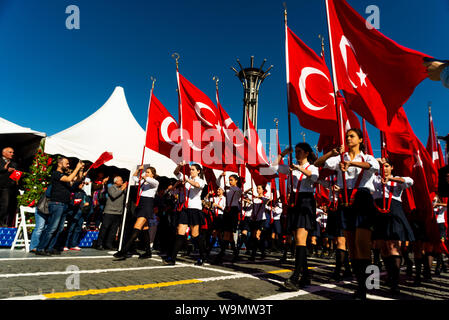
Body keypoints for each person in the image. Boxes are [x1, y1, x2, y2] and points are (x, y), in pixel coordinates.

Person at [315, 128, 380, 299]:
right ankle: (360, 285)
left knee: (362, 243)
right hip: (345, 200)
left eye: (352, 136)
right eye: (347, 136)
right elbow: (318, 164)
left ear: (360, 140)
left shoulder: (367, 157)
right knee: (351, 247)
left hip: (362, 198)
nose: (348, 139)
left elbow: (373, 166)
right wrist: (332, 152)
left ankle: (368, 285)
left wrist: (352, 164)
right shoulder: (339, 158)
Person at [273, 143, 319, 291]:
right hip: (294, 202)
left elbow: (314, 178)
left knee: (300, 239)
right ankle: (306, 275)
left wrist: (299, 168)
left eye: (300, 152)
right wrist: (284, 153)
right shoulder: (291, 168)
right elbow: (272, 166)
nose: (297, 154)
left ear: (306, 153)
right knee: (298, 239)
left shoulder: (312, 167)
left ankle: (295, 276)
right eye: (296, 152)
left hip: (306, 201)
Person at [372, 158, 415, 295]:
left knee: (393, 247)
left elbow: (410, 181)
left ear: (391, 167)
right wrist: (375, 162)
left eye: (386, 166)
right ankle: (390, 275)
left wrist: (391, 179)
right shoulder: (374, 179)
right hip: (378, 213)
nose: (384, 169)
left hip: (393, 211)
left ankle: (395, 282)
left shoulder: (397, 180)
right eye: (381, 166)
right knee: (383, 248)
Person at [35, 157, 84, 255]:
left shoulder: (65, 175)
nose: (68, 165)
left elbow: (77, 180)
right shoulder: (56, 174)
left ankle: (50, 248)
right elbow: (70, 178)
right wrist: (77, 168)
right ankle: (40, 248)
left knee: (59, 229)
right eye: (66, 163)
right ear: (59, 164)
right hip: (57, 204)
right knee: (52, 227)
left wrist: (81, 170)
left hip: (64, 204)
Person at [164, 162, 206, 266]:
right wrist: (180, 165)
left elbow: (196, 185)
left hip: (195, 209)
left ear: (198, 171)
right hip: (185, 209)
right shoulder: (186, 178)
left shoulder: (201, 180)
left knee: (195, 234)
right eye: (190, 169)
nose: (191, 171)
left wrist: (186, 179)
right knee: (180, 232)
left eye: (193, 169)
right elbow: (176, 172)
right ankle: (172, 258)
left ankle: (202, 255)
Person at [114, 166, 158, 260]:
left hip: (147, 205)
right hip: (141, 205)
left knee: (136, 228)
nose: (146, 173)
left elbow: (149, 180)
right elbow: (133, 178)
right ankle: (148, 252)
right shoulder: (143, 182)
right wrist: (138, 170)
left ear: (153, 175)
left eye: (148, 172)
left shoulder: (155, 182)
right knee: (145, 229)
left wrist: (144, 176)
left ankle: (124, 251)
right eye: (146, 172)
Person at [215, 173, 242, 264]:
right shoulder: (228, 189)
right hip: (227, 211)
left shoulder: (237, 189)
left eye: (232, 180)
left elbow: (236, 189)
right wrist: (221, 176)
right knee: (229, 235)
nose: (230, 181)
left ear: (236, 181)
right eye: (229, 180)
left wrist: (226, 185)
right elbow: (218, 183)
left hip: (233, 211)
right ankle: (235, 254)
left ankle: (221, 255)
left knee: (228, 233)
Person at [96, 176, 128, 250]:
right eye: (120, 180)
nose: (122, 181)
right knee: (105, 228)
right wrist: (122, 189)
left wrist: (124, 189)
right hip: (109, 212)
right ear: (116, 181)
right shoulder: (111, 187)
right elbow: (114, 195)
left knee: (113, 230)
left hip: (118, 212)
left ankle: (109, 244)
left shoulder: (123, 189)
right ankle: (99, 244)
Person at [64, 181, 91, 251]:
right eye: (81, 183)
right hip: (74, 213)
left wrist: (86, 204)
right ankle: (65, 244)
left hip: (81, 213)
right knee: (70, 229)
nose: (82, 184)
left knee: (78, 229)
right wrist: (78, 203)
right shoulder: (73, 192)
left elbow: (86, 200)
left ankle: (74, 244)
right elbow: (70, 202)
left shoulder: (83, 192)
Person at [248, 184, 270, 261]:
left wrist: (258, 197)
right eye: (257, 188)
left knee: (257, 236)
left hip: (261, 219)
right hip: (254, 219)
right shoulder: (254, 199)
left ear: (263, 190)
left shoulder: (264, 198)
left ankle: (253, 255)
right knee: (254, 237)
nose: (258, 190)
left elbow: (267, 200)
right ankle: (263, 252)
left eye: (259, 188)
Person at [0, 147, 18, 227]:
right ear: (4, 153)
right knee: (4, 206)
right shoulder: (0, 161)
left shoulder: (14, 163)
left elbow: (16, 175)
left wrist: (17, 178)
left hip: (10, 188)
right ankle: (1, 223)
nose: (12, 154)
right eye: (10, 152)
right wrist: (5, 169)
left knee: (8, 206)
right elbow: (2, 170)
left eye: (13, 152)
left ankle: (6, 223)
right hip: (2, 186)